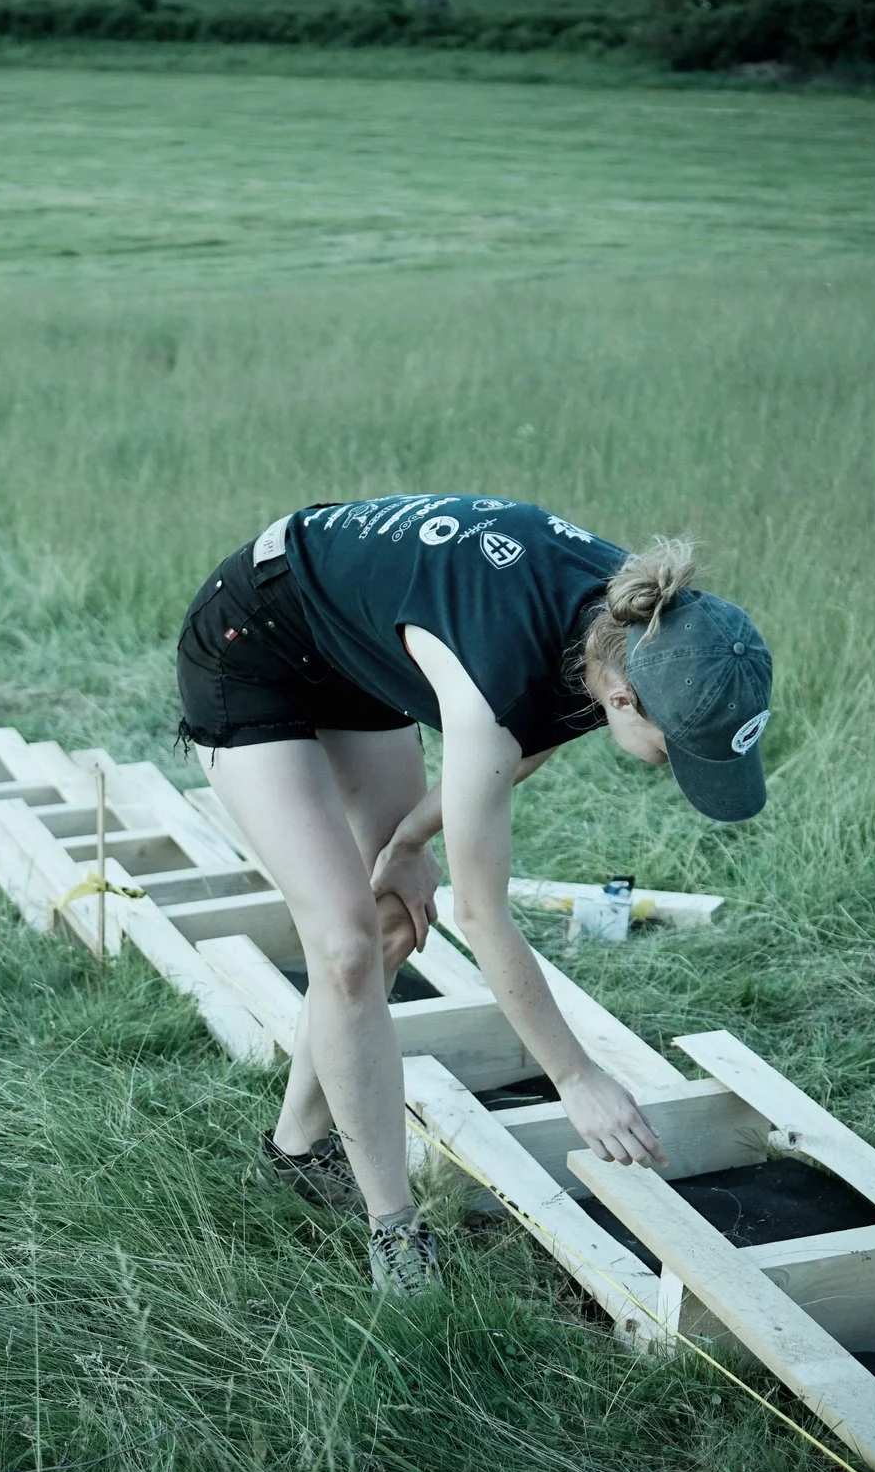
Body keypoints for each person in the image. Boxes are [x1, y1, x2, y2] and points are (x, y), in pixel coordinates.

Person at [176, 496, 775, 1295]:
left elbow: (523, 742)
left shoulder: (636, 627)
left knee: (394, 919)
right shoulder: (506, 673)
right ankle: (393, 1227)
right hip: (252, 640)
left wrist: (410, 842)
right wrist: (576, 1077)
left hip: (357, 652)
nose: (673, 770)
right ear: (626, 700)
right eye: (675, 752)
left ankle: (293, 1154)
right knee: (347, 942)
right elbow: (480, 913)